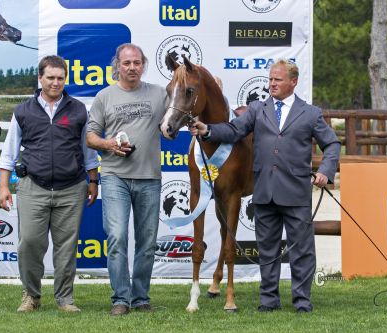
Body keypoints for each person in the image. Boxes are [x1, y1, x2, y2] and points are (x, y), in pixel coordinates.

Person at [189, 59, 340, 313]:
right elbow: (233, 130)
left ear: (293, 82)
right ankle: (269, 300)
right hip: (264, 192)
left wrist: (325, 171)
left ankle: (302, 300)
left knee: (301, 251)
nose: (272, 84)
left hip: (295, 193)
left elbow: (333, 145)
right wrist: (207, 131)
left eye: (278, 79)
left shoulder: (311, 113)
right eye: (270, 79)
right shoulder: (257, 109)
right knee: (268, 250)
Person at [0, 55, 100, 313]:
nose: (56, 83)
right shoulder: (22, 110)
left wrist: (93, 180)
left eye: (61, 78)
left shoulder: (78, 109)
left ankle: (65, 299)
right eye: (51, 77)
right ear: (40, 78)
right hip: (33, 186)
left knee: (66, 247)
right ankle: (31, 296)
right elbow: (9, 152)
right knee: (29, 242)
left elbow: (87, 151)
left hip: (72, 188)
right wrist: (3, 186)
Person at [86, 43, 166, 316]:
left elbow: (181, 111)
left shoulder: (159, 94)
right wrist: (110, 144)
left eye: (137, 62)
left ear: (143, 65)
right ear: (117, 65)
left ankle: (140, 297)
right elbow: (90, 136)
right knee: (117, 237)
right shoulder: (104, 96)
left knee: (147, 241)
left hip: (149, 178)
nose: (132, 67)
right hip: (114, 177)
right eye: (127, 63)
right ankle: (121, 298)